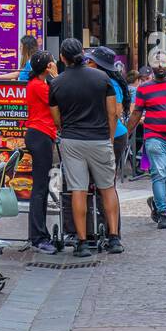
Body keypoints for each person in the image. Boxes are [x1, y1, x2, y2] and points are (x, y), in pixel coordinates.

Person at [47, 37, 123, 257]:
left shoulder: (57, 83)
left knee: (77, 190)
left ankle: (81, 242)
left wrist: (68, 128)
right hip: (99, 138)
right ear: (83, 53)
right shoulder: (102, 78)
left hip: (72, 140)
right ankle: (114, 237)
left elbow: (56, 119)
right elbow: (113, 113)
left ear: (62, 57)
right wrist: (108, 137)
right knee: (107, 187)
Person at [127, 47, 166, 230]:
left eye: (163, 62)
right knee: (159, 173)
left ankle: (155, 200)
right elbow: (137, 113)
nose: (160, 66)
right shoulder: (144, 89)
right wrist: (126, 133)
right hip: (154, 136)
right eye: (156, 62)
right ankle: (162, 212)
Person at [24, 51, 58, 253]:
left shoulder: (38, 85)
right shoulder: (39, 86)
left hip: (41, 134)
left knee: (42, 187)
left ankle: (39, 233)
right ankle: (38, 236)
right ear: (47, 67)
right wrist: (56, 76)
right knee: (40, 188)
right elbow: (58, 98)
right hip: (40, 135)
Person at [85, 46, 130, 181]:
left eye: (90, 61)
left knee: (106, 182)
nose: (87, 64)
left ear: (99, 65)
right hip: (102, 136)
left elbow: (115, 113)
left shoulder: (111, 83)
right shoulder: (97, 80)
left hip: (113, 137)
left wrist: (109, 142)